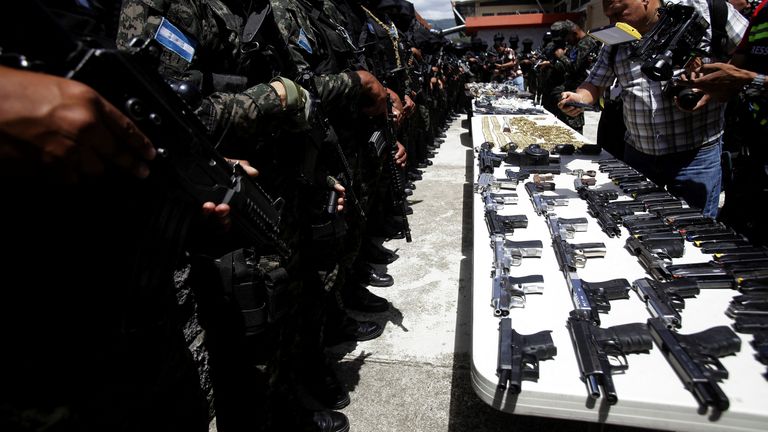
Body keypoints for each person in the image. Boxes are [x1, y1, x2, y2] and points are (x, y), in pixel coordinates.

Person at [558, 0, 748, 218]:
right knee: (637, 226)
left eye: (618, 12)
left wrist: (714, 82)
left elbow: (750, 57)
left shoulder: (707, 10)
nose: (613, 21)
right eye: (609, 15)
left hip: (695, 157)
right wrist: (579, 98)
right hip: (639, 156)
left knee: (696, 232)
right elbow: (595, 82)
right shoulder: (617, 35)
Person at [688, 0, 768, 245]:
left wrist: (751, 80)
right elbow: (737, 65)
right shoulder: (762, 11)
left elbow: (743, 75)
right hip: (755, 144)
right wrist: (705, 87)